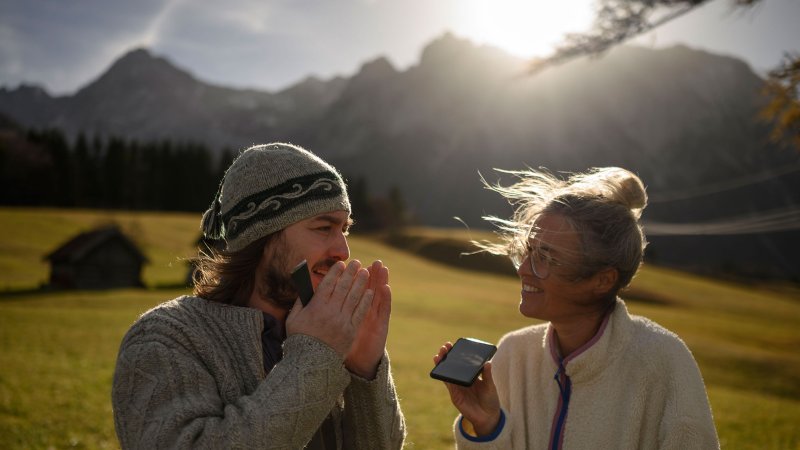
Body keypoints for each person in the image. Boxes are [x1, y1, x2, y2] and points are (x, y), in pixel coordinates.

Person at [112, 142, 406, 449]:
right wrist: (315, 354)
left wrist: (364, 369)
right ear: (262, 236)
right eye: (323, 227)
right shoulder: (164, 336)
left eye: (344, 229)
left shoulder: (334, 332)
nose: (342, 250)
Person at [433, 167, 719, 449]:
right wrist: (487, 428)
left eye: (546, 258)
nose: (523, 269)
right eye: (530, 250)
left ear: (602, 280)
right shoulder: (512, 354)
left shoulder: (664, 362)